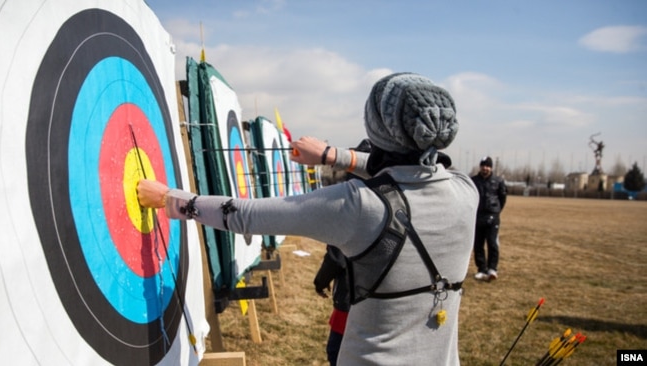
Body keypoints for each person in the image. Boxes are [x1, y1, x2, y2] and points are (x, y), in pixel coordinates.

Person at [138, 72, 478, 365]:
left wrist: (173, 200)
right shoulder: (466, 192)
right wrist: (332, 156)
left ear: (377, 132)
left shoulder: (360, 206)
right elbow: (413, 170)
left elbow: (247, 215)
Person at [471, 156, 507, 281]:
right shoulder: (474, 181)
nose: (485, 168)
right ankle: (481, 269)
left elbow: (502, 198)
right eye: (483, 165)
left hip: (492, 217)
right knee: (478, 245)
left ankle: (492, 269)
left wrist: (496, 210)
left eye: (487, 166)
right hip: (478, 217)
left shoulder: (498, 181)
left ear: (491, 168)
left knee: (492, 243)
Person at [314, 245, 350, 366]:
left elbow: (336, 259)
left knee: (337, 353)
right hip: (385, 306)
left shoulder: (350, 227)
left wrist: (320, 283)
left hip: (350, 303)